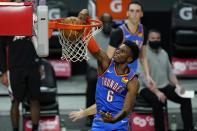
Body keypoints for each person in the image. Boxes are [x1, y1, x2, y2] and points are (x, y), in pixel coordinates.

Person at [70, 39, 140, 130]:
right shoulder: (106, 64)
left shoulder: (132, 81)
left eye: (122, 51)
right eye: (118, 49)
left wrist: (114, 120)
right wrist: (86, 35)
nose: (117, 51)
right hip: (100, 122)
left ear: (129, 59)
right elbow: (96, 51)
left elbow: (127, 109)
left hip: (120, 124)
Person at [139, 29, 193, 131]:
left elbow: (170, 74)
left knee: (186, 99)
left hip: (164, 85)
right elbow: (144, 79)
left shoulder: (164, 53)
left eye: (158, 38)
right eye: (153, 38)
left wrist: (178, 85)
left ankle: (189, 128)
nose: (156, 40)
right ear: (147, 40)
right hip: (146, 88)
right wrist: (157, 92)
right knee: (158, 102)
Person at [107, 0, 155, 87]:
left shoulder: (144, 30)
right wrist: (111, 76)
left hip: (134, 72)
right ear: (127, 13)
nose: (134, 14)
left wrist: (148, 75)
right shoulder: (118, 32)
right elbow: (109, 58)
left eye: (137, 11)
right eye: (132, 11)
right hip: (119, 73)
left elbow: (143, 57)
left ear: (142, 14)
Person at [0, 29, 41, 131]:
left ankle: (35, 129)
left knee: (35, 100)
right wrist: (3, 72)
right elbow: (1, 50)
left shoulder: (32, 21)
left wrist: (39, 64)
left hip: (33, 67)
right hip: (14, 69)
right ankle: (15, 129)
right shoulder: (7, 23)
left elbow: (39, 44)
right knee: (15, 101)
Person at [86, 12, 114, 126]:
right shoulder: (94, 37)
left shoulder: (117, 35)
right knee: (92, 80)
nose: (107, 25)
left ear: (112, 23)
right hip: (96, 68)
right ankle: (89, 116)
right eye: (105, 23)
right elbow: (89, 57)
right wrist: (100, 69)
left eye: (109, 23)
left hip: (113, 68)